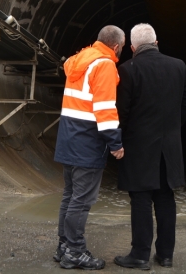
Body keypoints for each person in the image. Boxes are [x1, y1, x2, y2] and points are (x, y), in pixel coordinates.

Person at [113, 23, 186, 270]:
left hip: (138, 147)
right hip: (168, 146)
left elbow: (122, 110)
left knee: (140, 199)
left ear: (133, 47)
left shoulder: (127, 69)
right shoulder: (178, 66)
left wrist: (120, 137)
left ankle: (140, 255)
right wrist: (172, 126)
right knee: (165, 197)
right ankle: (166, 255)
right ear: (156, 43)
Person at [53, 25, 126, 270]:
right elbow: (105, 109)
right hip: (87, 142)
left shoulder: (79, 60)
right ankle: (75, 252)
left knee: (69, 195)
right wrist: (115, 143)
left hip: (68, 137)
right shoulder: (104, 64)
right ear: (116, 46)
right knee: (81, 200)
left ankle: (64, 246)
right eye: (121, 49)